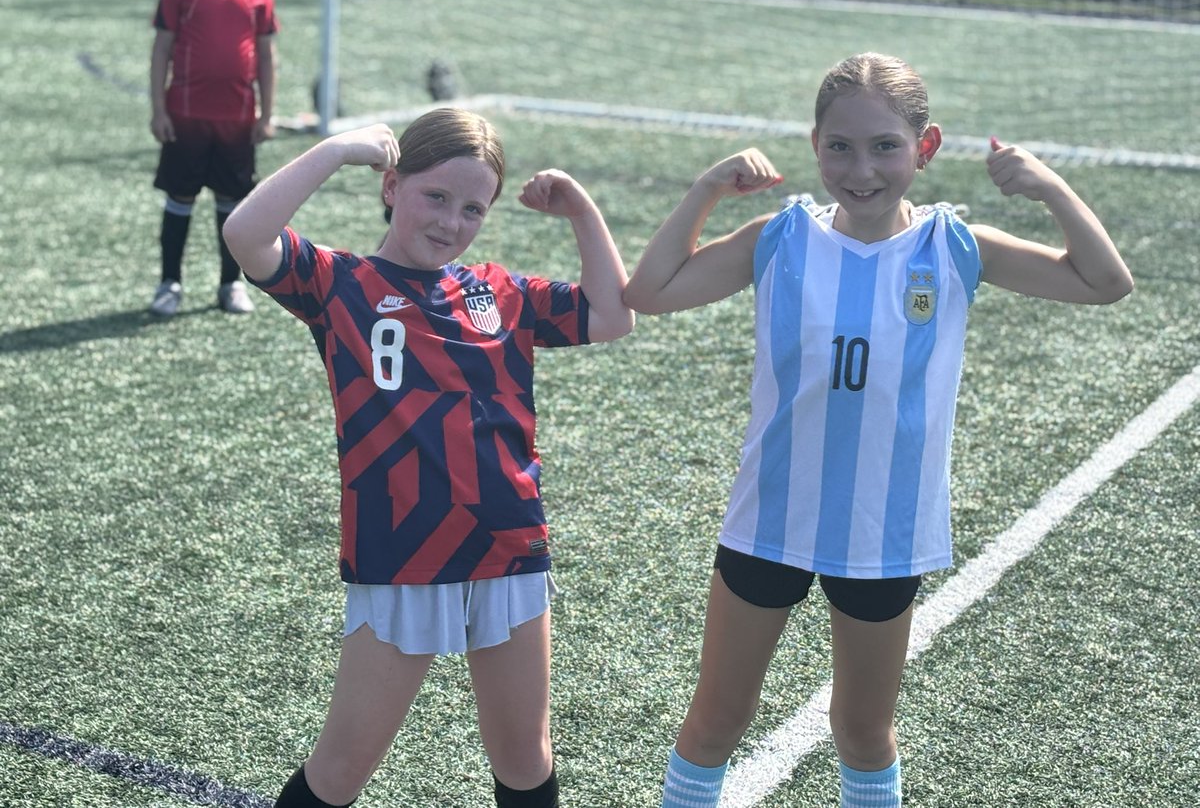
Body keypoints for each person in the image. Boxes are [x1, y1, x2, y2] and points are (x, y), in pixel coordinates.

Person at [623, 52, 1133, 808]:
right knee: (717, 720)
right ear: (815, 146)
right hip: (770, 521)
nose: (861, 169)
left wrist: (1050, 188)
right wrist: (706, 190)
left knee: (863, 732)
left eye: (885, 146)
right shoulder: (781, 236)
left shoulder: (954, 247)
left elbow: (1105, 282)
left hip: (884, 533)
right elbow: (649, 293)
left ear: (923, 150)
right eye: (841, 147)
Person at [221, 108, 635, 808]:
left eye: (474, 208)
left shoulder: (500, 294)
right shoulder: (340, 284)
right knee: (342, 768)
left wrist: (578, 208)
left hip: (506, 545)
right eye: (435, 196)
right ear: (391, 186)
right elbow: (245, 234)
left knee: (525, 759)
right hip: (401, 553)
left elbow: (611, 314)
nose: (452, 221)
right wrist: (338, 149)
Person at [148, 0, 278, 317]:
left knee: (233, 204)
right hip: (186, 117)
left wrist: (267, 114)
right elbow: (162, 50)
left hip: (237, 120)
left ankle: (230, 283)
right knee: (180, 198)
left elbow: (266, 57)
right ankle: (170, 282)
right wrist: (158, 109)